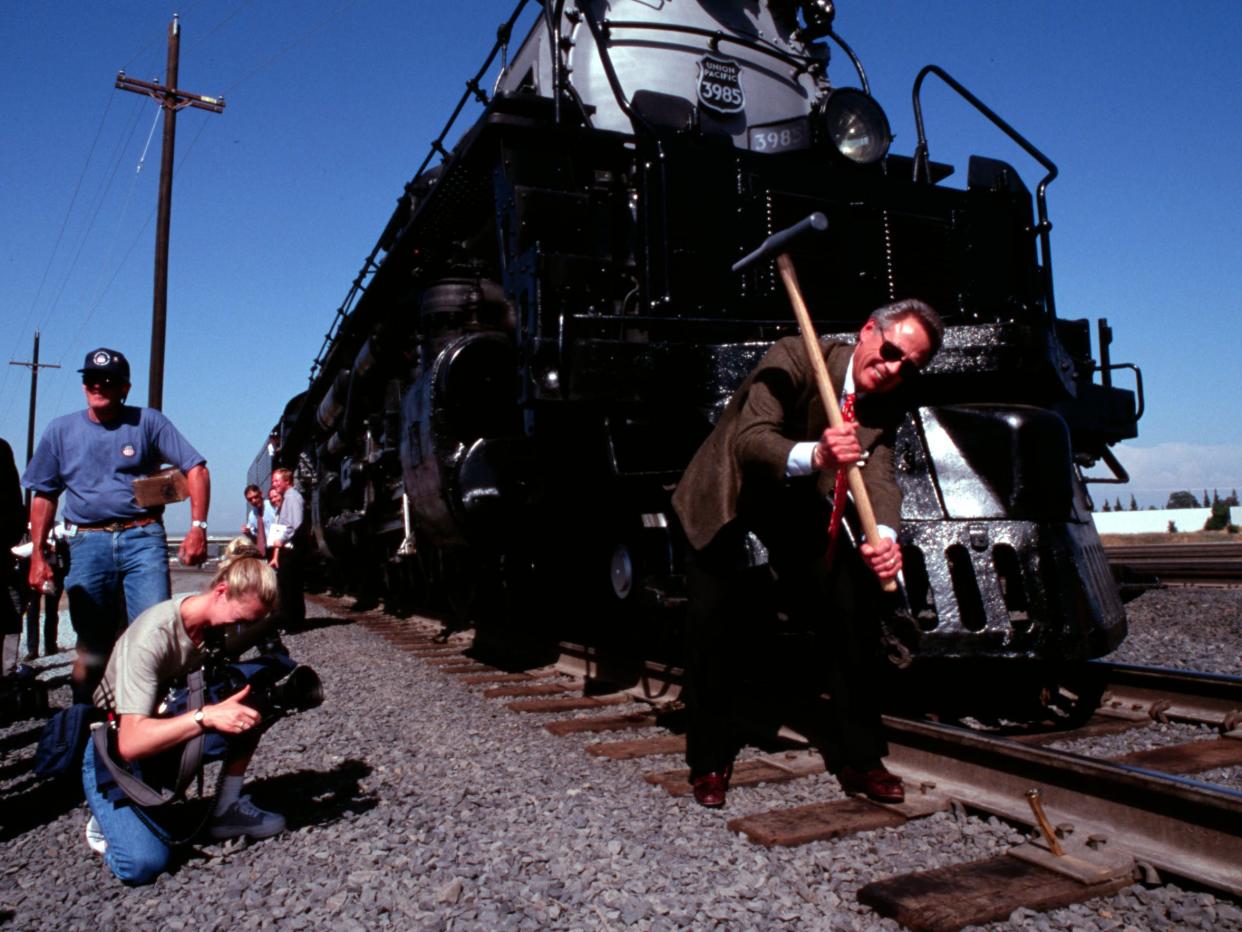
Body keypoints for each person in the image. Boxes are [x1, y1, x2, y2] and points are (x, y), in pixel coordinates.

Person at [672, 298, 943, 808]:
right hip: (728, 494)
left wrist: (881, 535)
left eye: (908, 366)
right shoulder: (794, 355)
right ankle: (708, 760)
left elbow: (879, 475)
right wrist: (817, 454)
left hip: (795, 506)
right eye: (888, 352)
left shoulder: (887, 399)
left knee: (850, 608)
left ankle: (861, 757)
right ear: (868, 331)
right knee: (713, 625)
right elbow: (749, 441)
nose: (891, 369)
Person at [82, 544, 286, 884]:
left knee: (252, 703)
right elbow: (130, 743)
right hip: (114, 751)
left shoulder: (211, 625)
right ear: (221, 592)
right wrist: (205, 717)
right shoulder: (154, 637)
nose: (240, 631)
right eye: (241, 621)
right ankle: (108, 815)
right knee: (145, 864)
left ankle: (226, 809)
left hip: (162, 730)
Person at [21, 347, 211, 702]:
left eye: (108, 381)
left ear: (124, 387)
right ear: (83, 386)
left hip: (142, 537)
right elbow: (44, 495)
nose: (98, 386)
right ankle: (85, 716)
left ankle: (151, 713)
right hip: (87, 543)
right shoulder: (60, 431)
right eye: (91, 379)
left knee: (152, 630)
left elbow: (196, 468)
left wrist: (198, 526)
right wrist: (37, 556)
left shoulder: (149, 422)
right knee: (91, 640)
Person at [268, 468, 306, 632]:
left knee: (290, 587)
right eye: (273, 481)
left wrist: (281, 539)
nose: (274, 484)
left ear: (287, 481)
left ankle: (293, 623)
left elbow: (295, 523)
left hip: (290, 548)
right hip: (288, 548)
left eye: (277, 481)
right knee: (289, 586)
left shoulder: (292, 498)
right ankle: (292, 622)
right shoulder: (288, 498)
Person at [240, 484, 272, 555]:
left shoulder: (272, 506)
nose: (254, 501)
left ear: (261, 493)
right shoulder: (252, 515)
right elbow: (255, 537)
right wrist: (248, 533)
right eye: (250, 499)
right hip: (265, 552)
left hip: (279, 548)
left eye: (256, 497)